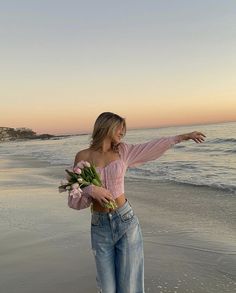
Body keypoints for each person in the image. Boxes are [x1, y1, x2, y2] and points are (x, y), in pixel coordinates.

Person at [68, 112, 206, 293]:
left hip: (125, 221)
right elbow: (73, 192)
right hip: (99, 225)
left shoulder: (123, 151)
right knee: (107, 288)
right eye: (119, 128)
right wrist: (91, 189)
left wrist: (182, 137)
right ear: (106, 127)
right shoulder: (82, 156)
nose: (122, 132)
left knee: (129, 286)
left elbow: (151, 146)